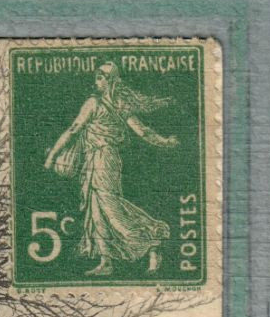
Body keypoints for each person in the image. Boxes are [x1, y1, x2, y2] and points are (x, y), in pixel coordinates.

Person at [44, 61, 179, 276]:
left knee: (110, 207)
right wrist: (164, 142)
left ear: (110, 81)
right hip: (95, 159)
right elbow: (143, 131)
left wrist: (52, 155)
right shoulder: (118, 105)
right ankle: (106, 261)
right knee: (96, 210)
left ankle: (152, 241)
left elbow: (73, 130)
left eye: (101, 77)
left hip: (104, 160)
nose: (96, 81)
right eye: (96, 76)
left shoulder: (96, 104)